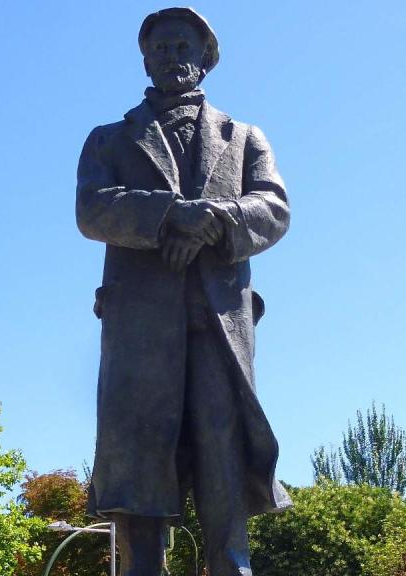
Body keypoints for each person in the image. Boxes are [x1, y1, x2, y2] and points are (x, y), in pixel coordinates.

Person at [76, 8, 291, 576]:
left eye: (183, 46)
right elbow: (92, 209)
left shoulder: (245, 138)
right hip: (141, 334)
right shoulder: (110, 138)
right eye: (162, 47)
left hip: (218, 328)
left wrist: (214, 221)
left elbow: (274, 209)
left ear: (205, 60)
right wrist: (170, 216)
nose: (173, 56)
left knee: (224, 469)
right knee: (142, 472)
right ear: (145, 59)